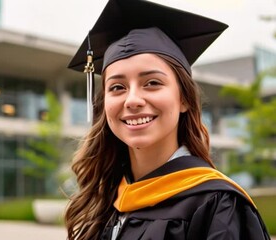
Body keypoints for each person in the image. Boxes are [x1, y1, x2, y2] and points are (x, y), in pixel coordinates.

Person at [65, 0, 271, 239]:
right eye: (117, 87)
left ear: (184, 98)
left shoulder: (218, 205)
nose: (132, 100)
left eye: (152, 83)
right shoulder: (105, 200)